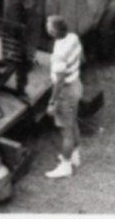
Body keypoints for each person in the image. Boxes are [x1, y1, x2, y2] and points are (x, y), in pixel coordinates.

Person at [43, 15, 82, 179]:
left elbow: (59, 81)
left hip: (65, 92)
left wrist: (52, 102)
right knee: (73, 122)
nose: (46, 26)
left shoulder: (59, 53)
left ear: (53, 32)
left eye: (48, 25)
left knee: (66, 131)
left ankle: (66, 165)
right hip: (76, 85)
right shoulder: (73, 38)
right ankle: (74, 154)